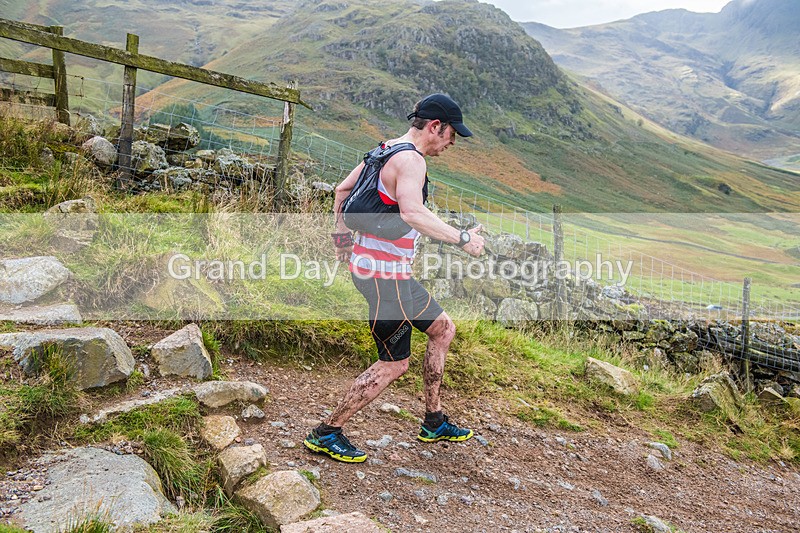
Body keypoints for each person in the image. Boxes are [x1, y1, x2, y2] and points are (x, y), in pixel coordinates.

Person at [303, 93, 486, 463]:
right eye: (452, 135)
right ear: (435, 126)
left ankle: (433, 421)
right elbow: (414, 213)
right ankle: (327, 432)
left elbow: (342, 191)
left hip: (377, 272)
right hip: (388, 279)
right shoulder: (411, 161)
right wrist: (464, 239)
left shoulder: (385, 149)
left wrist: (342, 240)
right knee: (394, 362)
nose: (452, 143)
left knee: (443, 329)